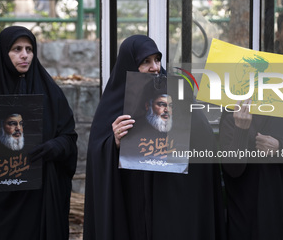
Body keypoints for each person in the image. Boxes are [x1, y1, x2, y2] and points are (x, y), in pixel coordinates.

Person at [83, 35, 226, 240]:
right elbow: (97, 154)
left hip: (171, 205)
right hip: (132, 207)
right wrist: (113, 143)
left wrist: (186, 129)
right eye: (145, 62)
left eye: (157, 60)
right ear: (129, 65)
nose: (155, 67)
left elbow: (204, 141)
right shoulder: (113, 104)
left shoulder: (177, 96)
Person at [219, 11, 283, 240]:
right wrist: (242, 130)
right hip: (251, 216)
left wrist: (281, 148)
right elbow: (233, 170)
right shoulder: (231, 113)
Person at [0, 26, 78, 240]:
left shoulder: (51, 94)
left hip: (39, 201)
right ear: (3, 53)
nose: (25, 55)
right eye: (16, 49)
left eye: (29, 49)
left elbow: (69, 138)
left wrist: (56, 146)